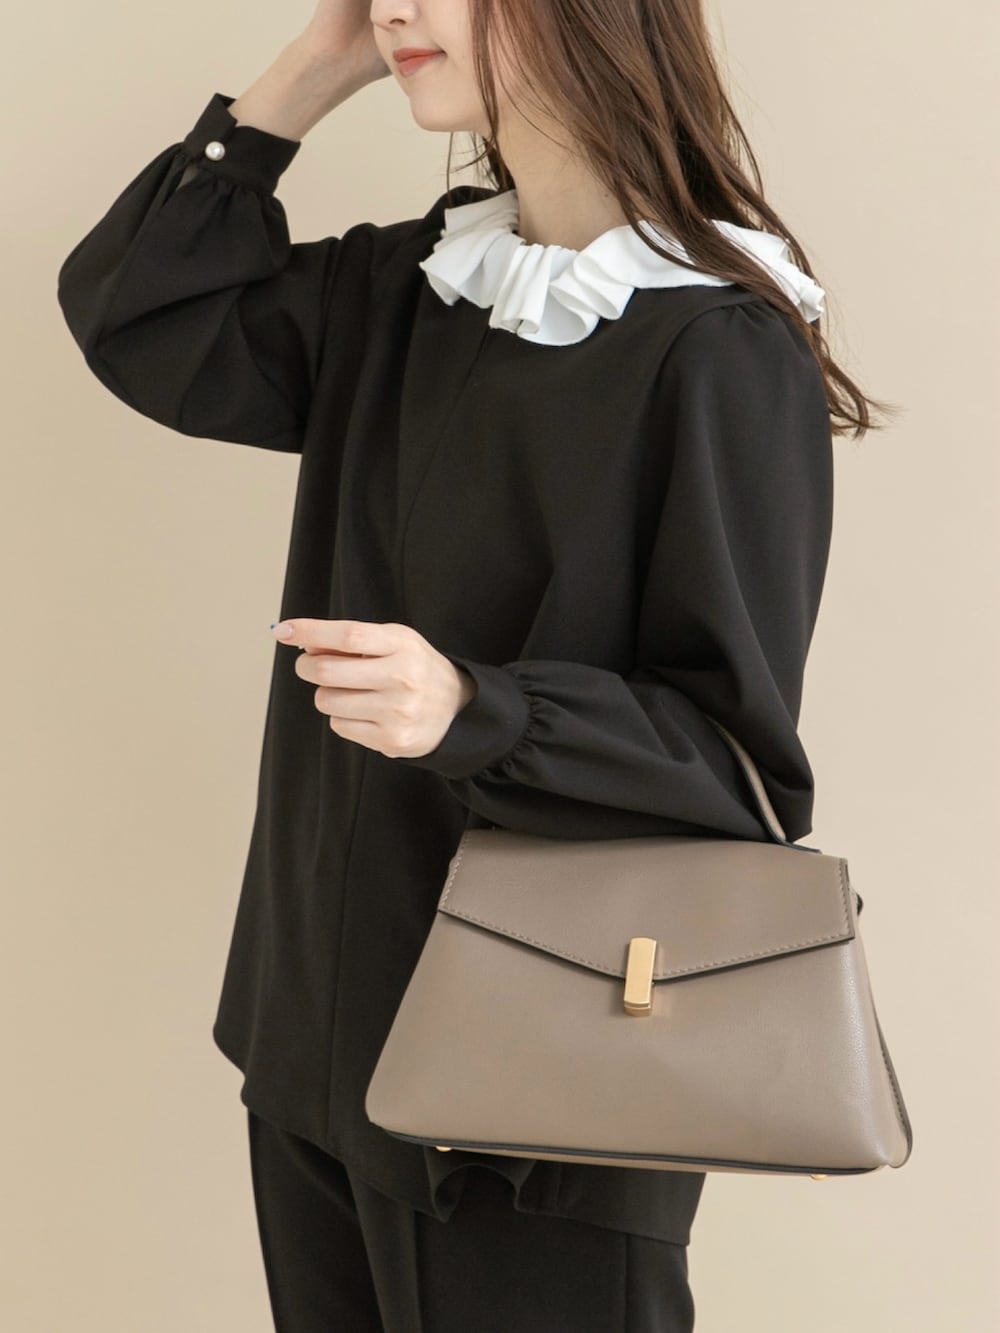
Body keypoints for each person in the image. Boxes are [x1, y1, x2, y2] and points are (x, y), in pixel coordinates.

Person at [56, 1, 893, 1329]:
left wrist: (471, 708)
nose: (395, 5)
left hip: (540, 1099)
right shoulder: (414, 285)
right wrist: (310, 70)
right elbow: (137, 312)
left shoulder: (718, 346)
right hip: (320, 1041)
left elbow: (734, 764)